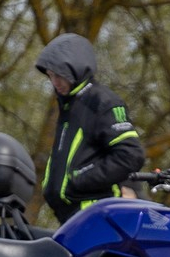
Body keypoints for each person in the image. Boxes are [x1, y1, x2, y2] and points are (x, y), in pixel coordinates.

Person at [35, 33, 145, 223]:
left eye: (60, 75)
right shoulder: (69, 107)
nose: (55, 82)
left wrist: (77, 179)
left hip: (97, 215)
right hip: (73, 217)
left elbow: (130, 155)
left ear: (75, 69)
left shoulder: (102, 101)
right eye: (51, 76)